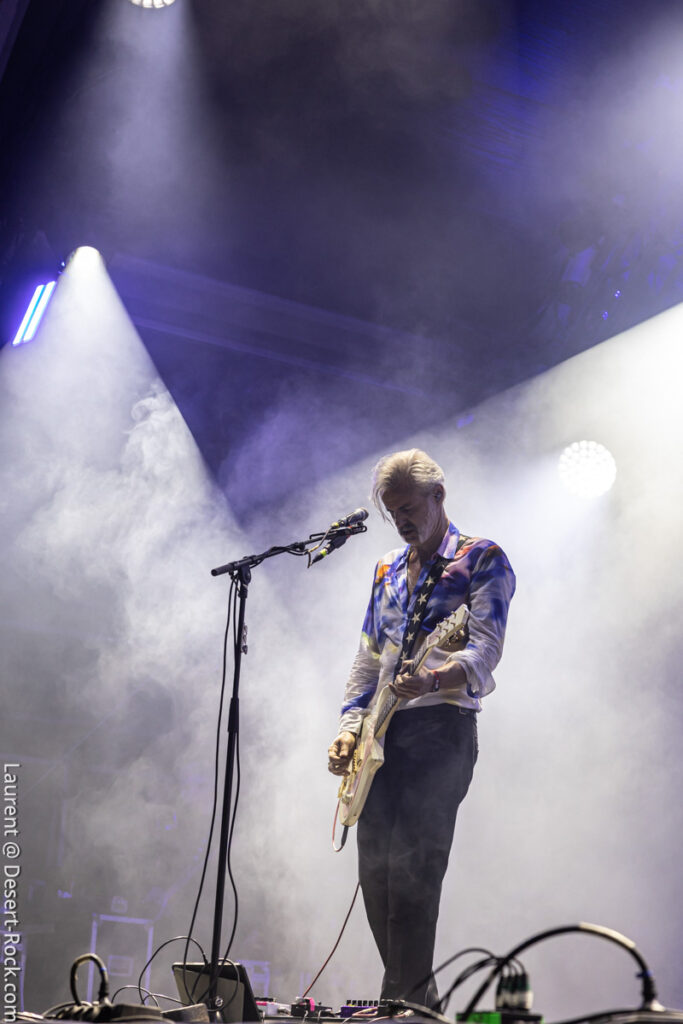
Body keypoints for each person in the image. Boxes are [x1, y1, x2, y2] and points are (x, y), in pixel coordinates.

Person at [327, 449, 515, 1010]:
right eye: (392, 512)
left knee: (414, 872)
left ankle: (400, 1004)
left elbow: (485, 650)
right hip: (381, 734)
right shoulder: (385, 568)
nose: (401, 521)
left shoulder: (483, 558)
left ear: (438, 496)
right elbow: (368, 659)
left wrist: (434, 679)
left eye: (408, 508)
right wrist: (350, 726)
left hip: (441, 729)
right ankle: (419, 1001)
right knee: (376, 875)